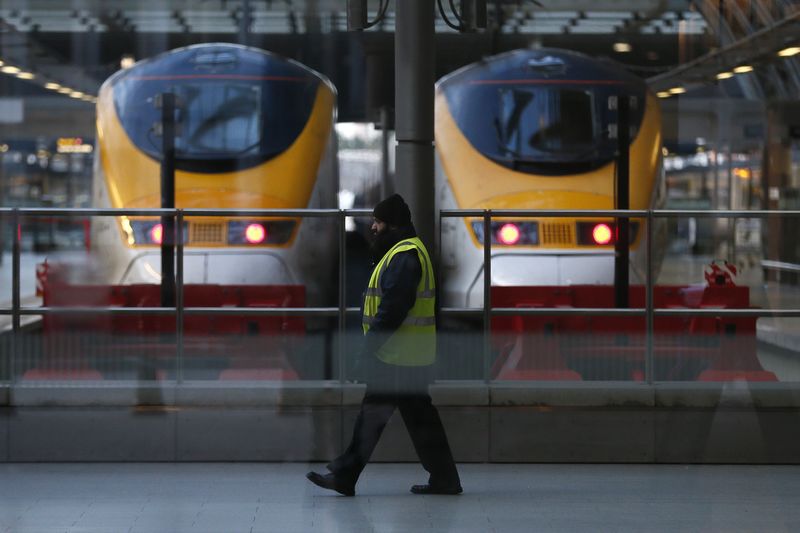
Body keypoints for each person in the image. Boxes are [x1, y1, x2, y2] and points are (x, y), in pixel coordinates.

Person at [307, 193, 462, 496]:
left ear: (392, 224)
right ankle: (444, 478)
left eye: (378, 222)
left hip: (397, 354)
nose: (373, 227)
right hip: (407, 354)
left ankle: (347, 474)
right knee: (416, 420)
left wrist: (369, 349)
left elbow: (393, 308)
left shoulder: (404, 256)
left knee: (376, 415)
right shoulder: (405, 252)